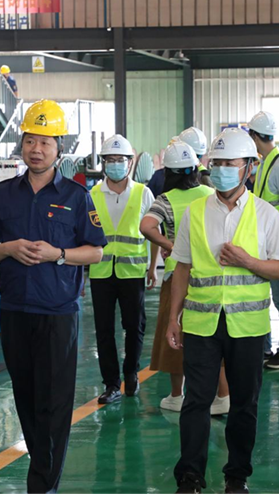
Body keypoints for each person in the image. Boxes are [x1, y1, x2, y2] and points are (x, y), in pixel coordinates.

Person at [0, 99, 106, 493]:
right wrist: (9, 248)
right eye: (30, 140)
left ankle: (43, 483)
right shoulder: (4, 194)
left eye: (46, 142)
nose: (37, 149)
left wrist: (58, 254)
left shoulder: (76, 196)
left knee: (54, 402)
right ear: (22, 144)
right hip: (15, 310)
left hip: (58, 312)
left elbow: (95, 252)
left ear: (59, 149)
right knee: (26, 397)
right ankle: (42, 469)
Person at [167, 128, 279, 494]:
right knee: (196, 401)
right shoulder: (195, 212)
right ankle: (190, 476)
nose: (221, 170)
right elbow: (182, 267)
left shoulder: (266, 215)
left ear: (249, 168)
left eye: (230, 164)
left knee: (244, 404)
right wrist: (174, 317)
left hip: (248, 326)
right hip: (201, 323)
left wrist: (248, 261)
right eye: (217, 163)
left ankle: (237, 475)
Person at [140, 141, 230, 416]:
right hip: (209, 277)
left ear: (168, 172)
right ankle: (223, 395)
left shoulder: (165, 200)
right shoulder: (211, 195)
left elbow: (146, 226)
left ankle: (177, 395)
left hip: (177, 276)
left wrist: (170, 245)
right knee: (213, 336)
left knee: (175, 334)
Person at [89, 134, 156, 405]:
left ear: (130, 162)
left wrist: (153, 268)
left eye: (120, 159)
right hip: (101, 272)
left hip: (133, 272)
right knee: (104, 330)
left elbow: (154, 232)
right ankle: (111, 384)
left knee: (134, 326)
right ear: (103, 163)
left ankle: (131, 373)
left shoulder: (143, 193)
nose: (115, 164)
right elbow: (83, 236)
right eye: (110, 159)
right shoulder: (92, 195)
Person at [248, 111, 279, 369]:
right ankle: (266, 349)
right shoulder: (266, 163)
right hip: (265, 241)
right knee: (264, 298)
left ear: (255, 136)